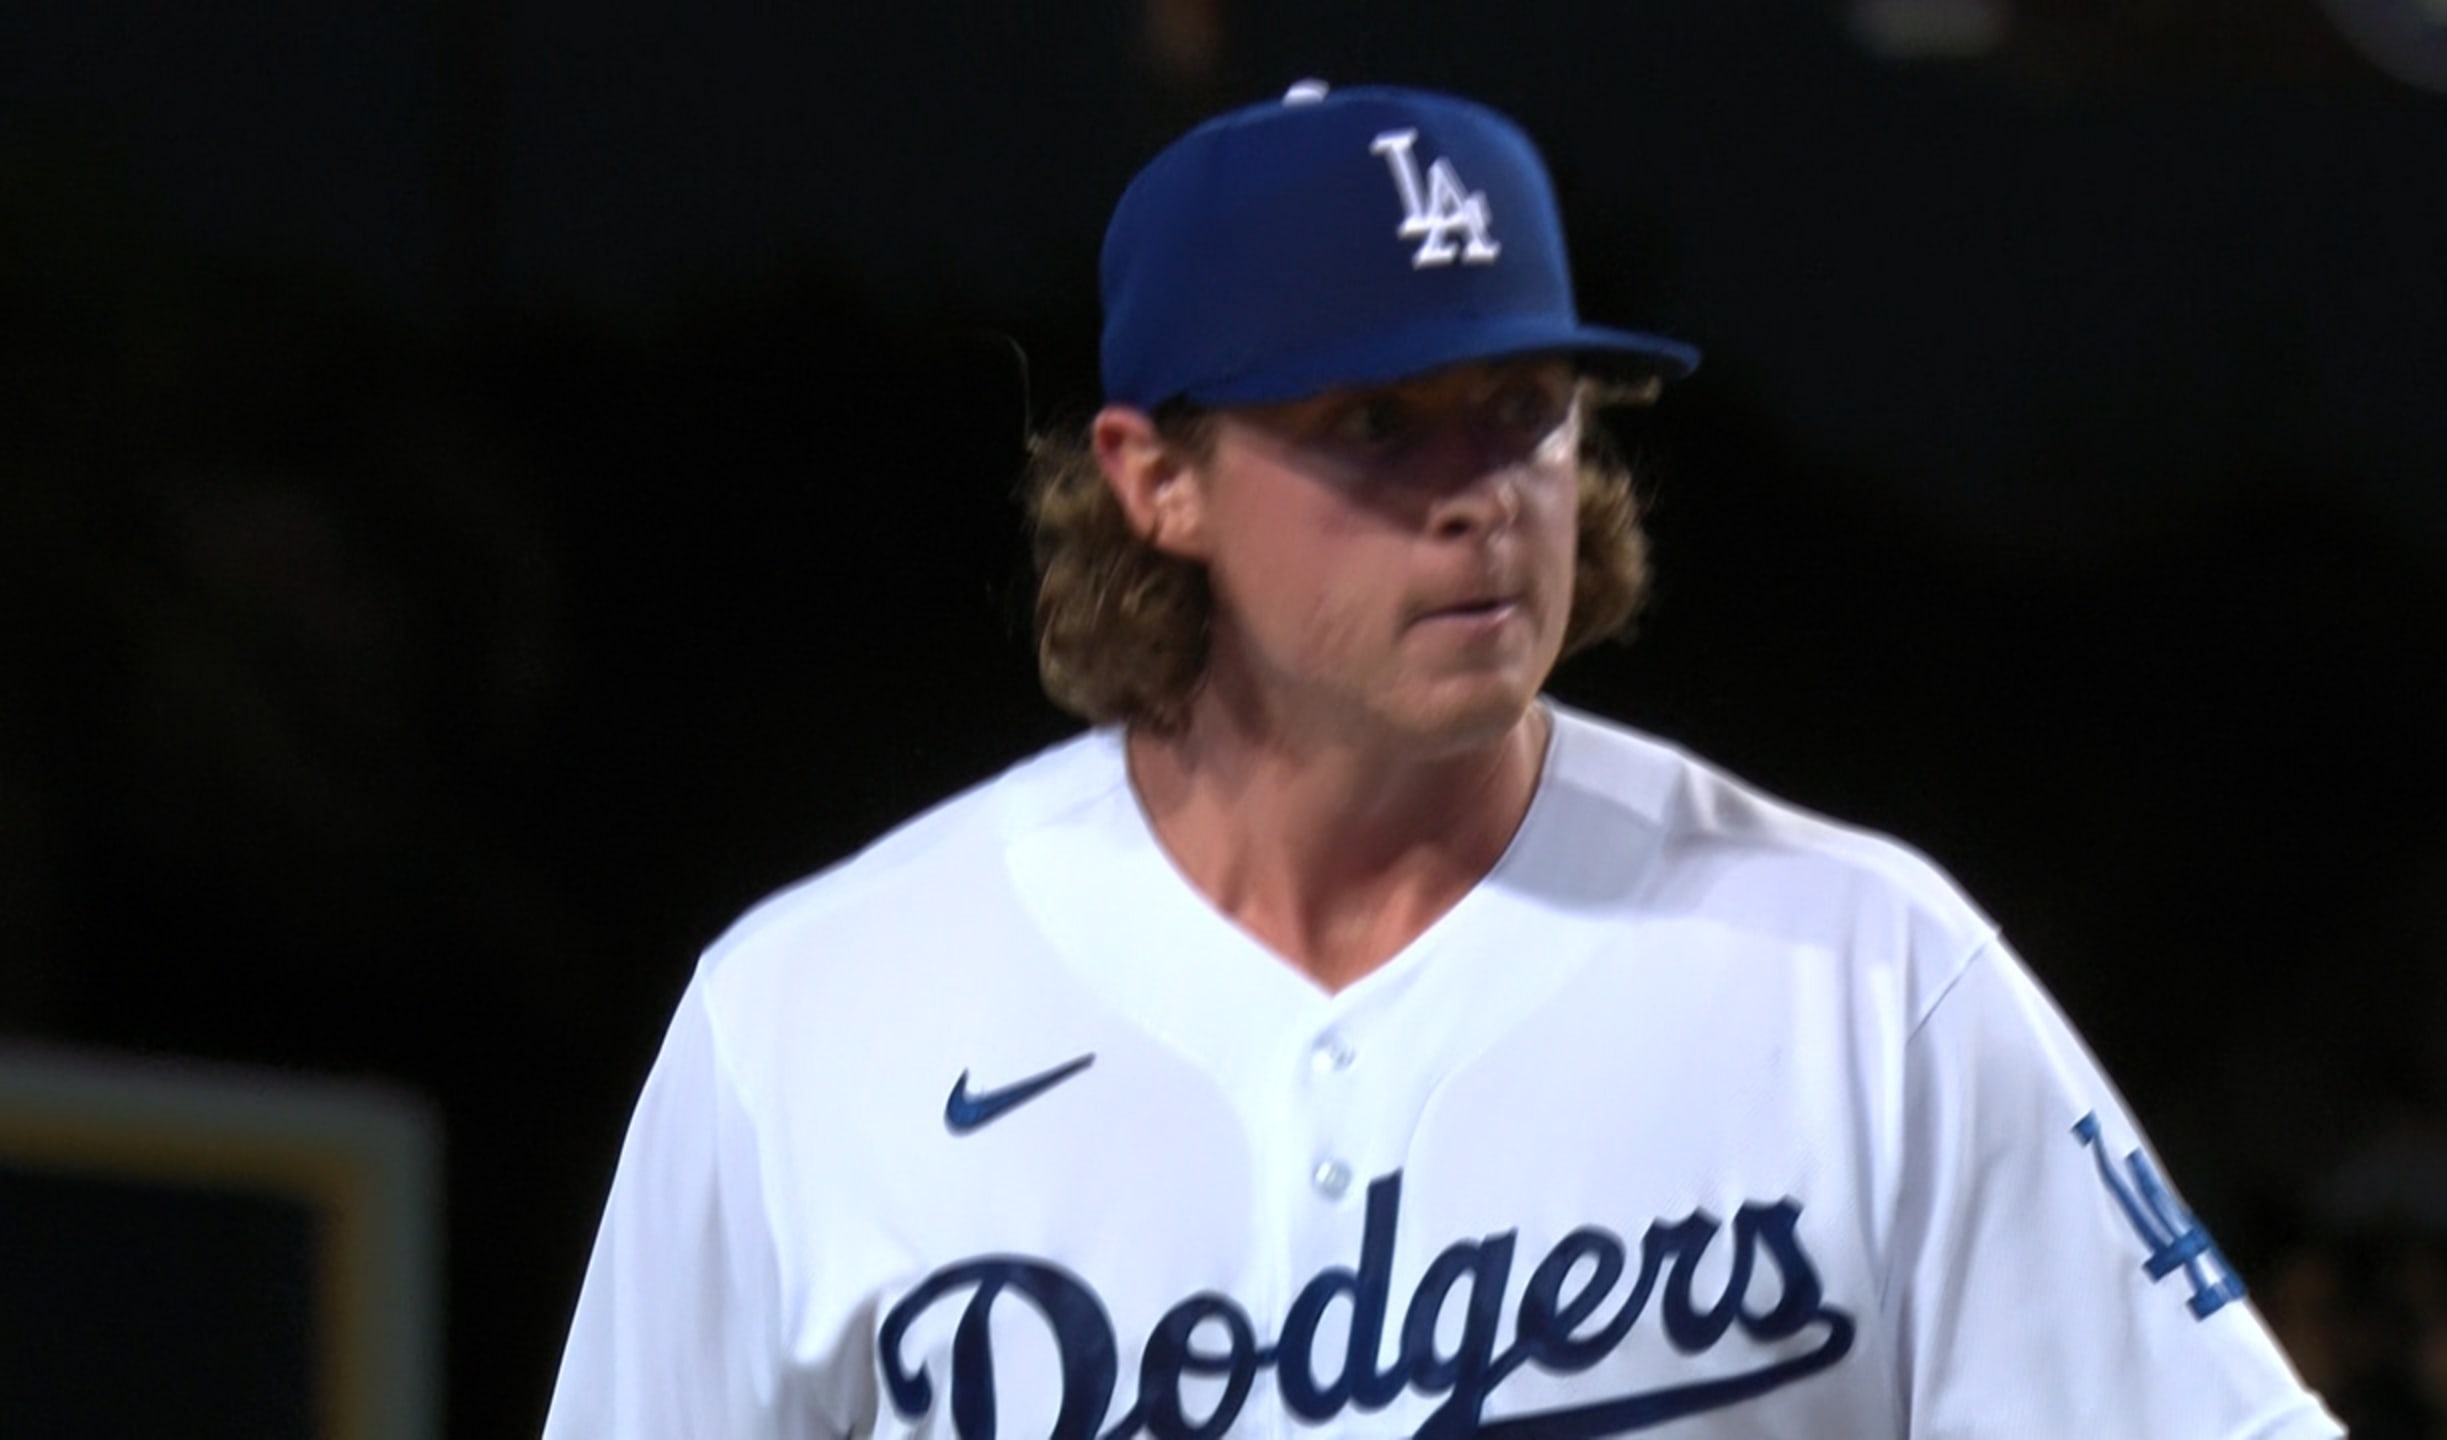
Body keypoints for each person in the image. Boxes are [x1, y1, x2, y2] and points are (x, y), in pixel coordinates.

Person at [542, 80, 2343, 1438]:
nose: (1481, 492)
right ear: (1155, 478)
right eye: (1377, 421)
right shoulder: (813, 1020)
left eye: (1526, 411)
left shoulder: (1864, 978)